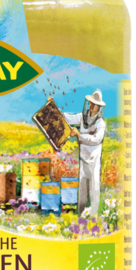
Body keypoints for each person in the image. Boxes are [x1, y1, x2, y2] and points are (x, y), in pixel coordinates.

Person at [47, 89, 107, 218]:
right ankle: (81, 216)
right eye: (91, 103)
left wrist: (79, 134)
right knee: (82, 188)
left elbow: (96, 139)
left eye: (95, 104)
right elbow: (68, 118)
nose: (92, 106)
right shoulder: (82, 117)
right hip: (83, 157)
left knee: (94, 187)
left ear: (99, 107)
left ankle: (94, 217)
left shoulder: (100, 123)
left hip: (94, 160)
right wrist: (53, 108)